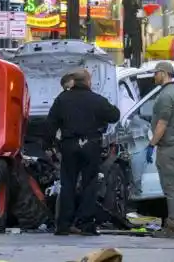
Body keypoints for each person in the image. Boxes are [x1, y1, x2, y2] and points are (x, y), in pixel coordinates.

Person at [45, 68, 121, 236]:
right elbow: (115, 115)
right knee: (89, 184)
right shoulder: (96, 100)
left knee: (68, 184)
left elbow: (50, 123)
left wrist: (48, 145)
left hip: (69, 145)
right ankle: (86, 224)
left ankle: (64, 225)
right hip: (91, 145)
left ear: (73, 81)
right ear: (88, 81)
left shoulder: (62, 99)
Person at [146, 61, 174, 238]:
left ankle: (173, 227)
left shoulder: (165, 95)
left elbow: (162, 123)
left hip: (168, 146)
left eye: (156, 73)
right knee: (173, 186)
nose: (154, 76)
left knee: (170, 187)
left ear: (163, 73)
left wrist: (151, 144)